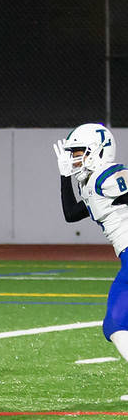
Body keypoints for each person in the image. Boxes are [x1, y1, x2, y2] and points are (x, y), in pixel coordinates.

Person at [55, 123, 128, 361]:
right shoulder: (91, 184)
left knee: (117, 324)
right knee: (115, 326)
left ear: (99, 150)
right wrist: (65, 177)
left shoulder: (107, 174)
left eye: (78, 153)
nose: (74, 159)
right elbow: (71, 214)